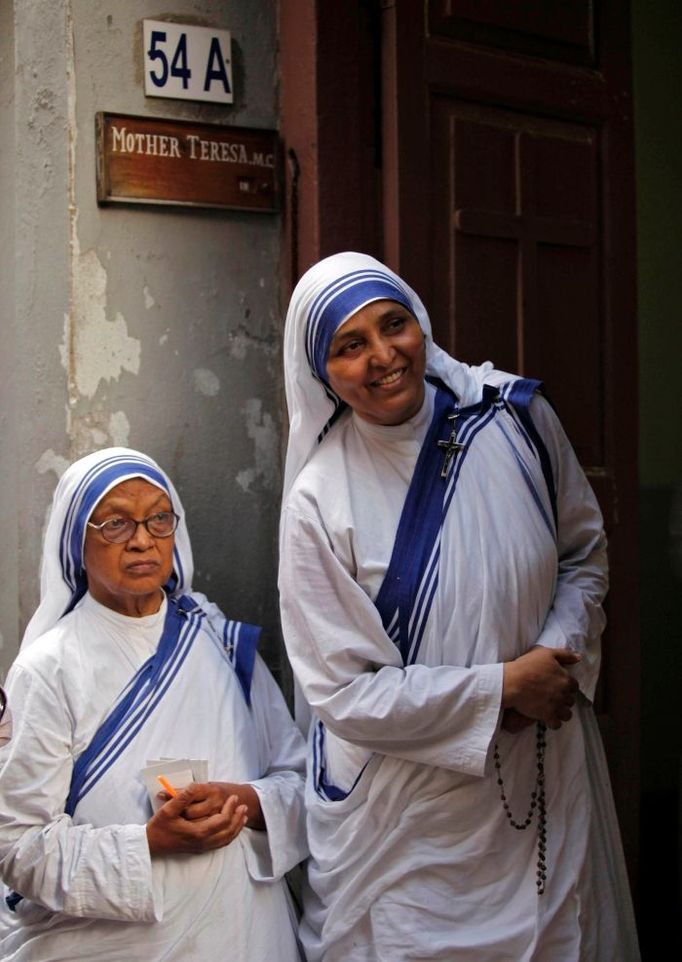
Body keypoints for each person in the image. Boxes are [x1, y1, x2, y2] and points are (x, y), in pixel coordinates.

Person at [278, 252, 640, 961]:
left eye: (394, 326)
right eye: (349, 347)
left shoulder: (514, 418)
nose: (383, 357)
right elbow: (345, 693)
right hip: (408, 822)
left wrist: (554, 661)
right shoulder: (320, 501)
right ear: (322, 373)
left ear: (421, 322)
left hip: (544, 767)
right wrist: (504, 687)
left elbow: (583, 551)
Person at [0, 447, 307, 961]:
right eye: (117, 523)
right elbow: (18, 846)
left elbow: (302, 781)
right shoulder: (48, 669)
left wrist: (244, 802)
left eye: (158, 519)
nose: (142, 539)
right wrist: (148, 843)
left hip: (241, 937)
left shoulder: (220, 642)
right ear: (78, 540)